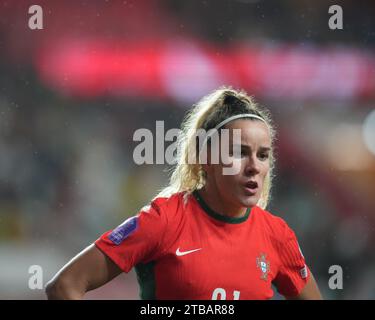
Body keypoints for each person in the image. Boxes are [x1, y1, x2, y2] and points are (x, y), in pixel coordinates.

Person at [46, 87, 322, 300]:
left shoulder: (276, 234)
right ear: (205, 157)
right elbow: (66, 285)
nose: (254, 167)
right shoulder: (165, 220)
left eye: (263, 155)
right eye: (239, 152)